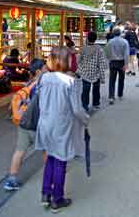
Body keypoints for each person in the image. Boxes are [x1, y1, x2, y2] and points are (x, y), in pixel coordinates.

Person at [36, 47, 89, 212]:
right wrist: (86, 120)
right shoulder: (69, 81)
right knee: (60, 161)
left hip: (45, 123)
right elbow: (77, 109)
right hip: (61, 126)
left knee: (50, 157)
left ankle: (46, 193)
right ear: (66, 61)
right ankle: (57, 199)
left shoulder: (44, 78)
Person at [4, 58, 46, 191]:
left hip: (23, 123)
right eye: (45, 68)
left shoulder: (27, 84)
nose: (47, 70)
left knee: (19, 151)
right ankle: (50, 176)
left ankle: (11, 180)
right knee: (47, 151)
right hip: (36, 124)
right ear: (39, 71)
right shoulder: (41, 85)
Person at [77, 31, 108, 112]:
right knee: (96, 90)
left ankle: (85, 105)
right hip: (96, 73)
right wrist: (102, 77)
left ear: (87, 38)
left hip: (85, 73)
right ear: (95, 39)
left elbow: (78, 61)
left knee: (85, 91)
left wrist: (80, 70)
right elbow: (101, 63)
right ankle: (96, 103)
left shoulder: (82, 49)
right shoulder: (99, 49)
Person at [105, 27, 129, 105]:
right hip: (121, 62)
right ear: (120, 33)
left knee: (112, 80)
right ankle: (120, 94)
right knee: (121, 79)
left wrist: (109, 61)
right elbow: (126, 54)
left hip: (113, 62)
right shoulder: (125, 42)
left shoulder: (110, 42)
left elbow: (107, 53)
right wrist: (126, 64)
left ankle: (111, 96)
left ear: (113, 33)